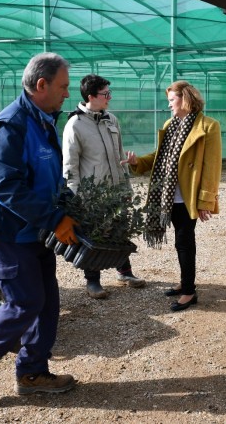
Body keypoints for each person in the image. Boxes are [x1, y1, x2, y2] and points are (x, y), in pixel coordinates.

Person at [0, 52, 79, 400]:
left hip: (33, 229)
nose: (67, 93)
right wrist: (53, 218)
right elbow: (4, 187)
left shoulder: (43, 120)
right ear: (42, 85)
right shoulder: (12, 126)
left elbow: (49, 177)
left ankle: (33, 373)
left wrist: (66, 205)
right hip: (7, 231)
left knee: (47, 302)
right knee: (25, 301)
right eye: (63, 86)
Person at [122, 80, 221, 311]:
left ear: (185, 98)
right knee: (180, 243)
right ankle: (184, 283)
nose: (169, 105)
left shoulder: (208, 126)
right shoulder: (171, 124)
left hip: (187, 197)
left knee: (185, 242)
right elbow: (160, 156)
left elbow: (211, 167)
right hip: (167, 196)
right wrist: (138, 162)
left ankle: (189, 292)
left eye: (171, 100)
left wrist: (206, 200)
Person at [62, 74, 146, 299]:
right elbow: (70, 166)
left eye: (109, 93)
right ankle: (93, 282)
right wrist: (76, 196)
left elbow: (119, 155)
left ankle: (125, 272)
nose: (109, 97)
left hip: (116, 189)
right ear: (91, 96)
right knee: (95, 235)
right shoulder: (75, 125)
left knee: (120, 230)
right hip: (92, 195)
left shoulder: (112, 120)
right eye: (105, 94)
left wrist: (125, 187)